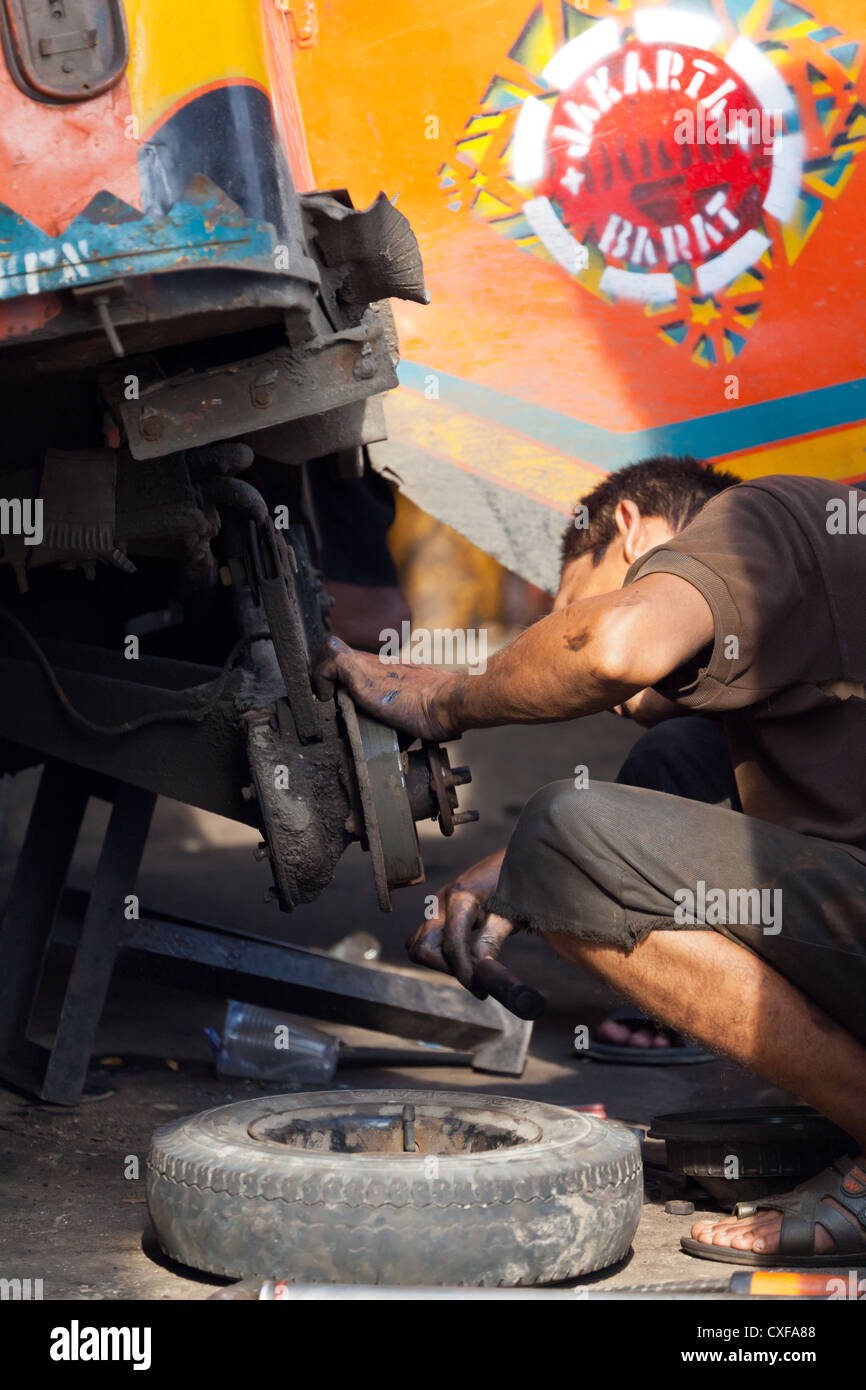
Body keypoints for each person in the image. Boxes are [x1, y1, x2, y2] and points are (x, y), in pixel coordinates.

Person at [314, 459, 866, 1268]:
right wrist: (515, 873)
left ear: (634, 529)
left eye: (575, 601)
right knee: (667, 766)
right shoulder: (803, 614)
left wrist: (443, 699)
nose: (606, 701)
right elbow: (666, 800)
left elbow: (611, 648)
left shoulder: (769, 519)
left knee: (565, 831)